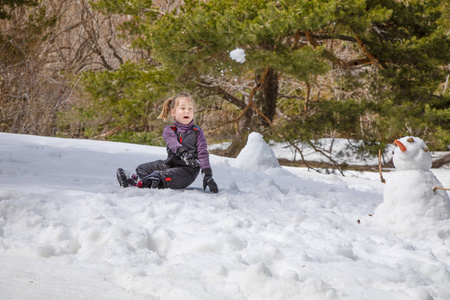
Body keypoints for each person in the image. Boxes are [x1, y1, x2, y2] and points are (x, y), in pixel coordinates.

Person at [116, 92, 219, 193]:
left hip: (187, 171)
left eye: (190, 109)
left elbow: (203, 153)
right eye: (183, 108)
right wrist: (183, 153)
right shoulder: (169, 130)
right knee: (142, 169)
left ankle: (138, 184)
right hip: (170, 165)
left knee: (159, 175)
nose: (187, 111)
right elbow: (173, 143)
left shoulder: (197, 132)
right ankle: (139, 179)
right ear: (173, 112)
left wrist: (207, 175)